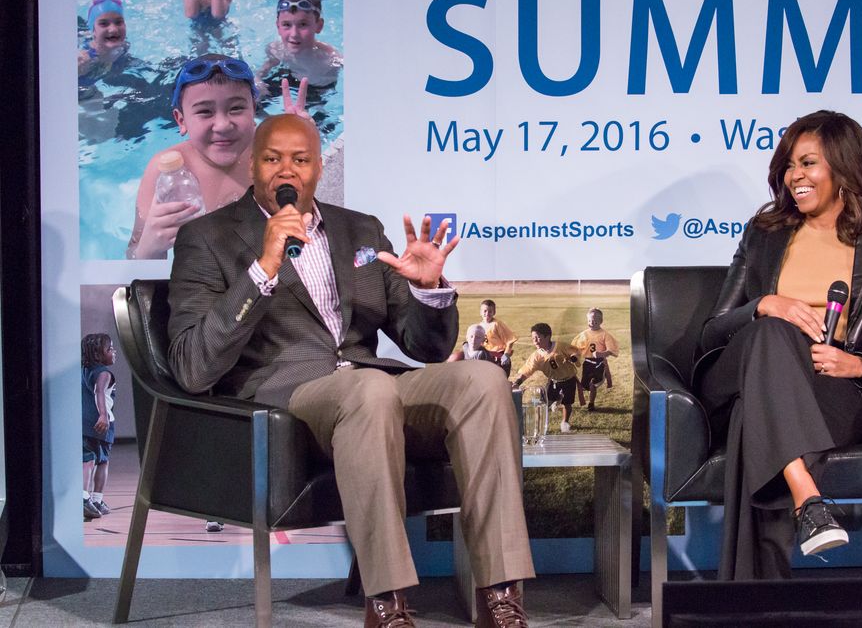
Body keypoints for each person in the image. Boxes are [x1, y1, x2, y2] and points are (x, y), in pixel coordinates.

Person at [166, 114, 532, 626]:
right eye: (272, 159)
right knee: (368, 389)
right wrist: (262, 270)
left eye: (299, 159)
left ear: (318, 168)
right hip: (290, 398)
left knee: (482, 380)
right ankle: (387, 604)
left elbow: (425, 346)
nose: (284, 171)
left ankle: (500, 596)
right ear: (252, 164)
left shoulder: (359, 229)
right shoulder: (207, 238)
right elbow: (191, 364)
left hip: (370, 382)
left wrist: (428, 291)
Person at [693, 110, 862, 580]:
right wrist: (764, 305)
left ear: (844, 167)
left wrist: (856, 365)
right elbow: (712, 332)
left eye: (809, 163)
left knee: (750, 419)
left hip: (830, 392)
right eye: (790, 165)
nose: (795, 175)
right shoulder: (765, 233)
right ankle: (807, 498)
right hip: (742, 369)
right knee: (772, 332)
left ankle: (754, 607)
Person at [127, 54, 309, 260]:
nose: (222, 125)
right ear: (181, 120)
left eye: (236, 108)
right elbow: (134, 253)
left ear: (254, 110)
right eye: (205, 112)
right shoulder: (165, 172)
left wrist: (305, 148)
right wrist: (150, 248)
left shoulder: (272, 152)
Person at [256, 0, 343, 94]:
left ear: (319, 26)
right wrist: (258, 80)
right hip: (288, 78)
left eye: (303, 24)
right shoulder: (275, 49)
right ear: (278, 26)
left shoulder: (331, 58)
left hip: (317, 90)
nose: (294, 34)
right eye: (286, 25)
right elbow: (266, 68)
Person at [511, 323, 580, 434]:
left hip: (568, 379)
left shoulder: (561, 346)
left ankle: (564, 423)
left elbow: (575, 351)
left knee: (567, 403)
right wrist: (518, 382)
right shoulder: (536, 356)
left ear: (547, 337)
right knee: (544, 403)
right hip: (553, 381)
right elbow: (527, 370)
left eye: (538, 337)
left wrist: (574, 358)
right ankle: (541, 424)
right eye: (533, 338)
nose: (535, 341)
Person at [82, 333, 116, 521]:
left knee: (88, 459)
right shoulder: (103, 372)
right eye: (109, 349)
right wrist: (103, 414)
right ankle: (93, 499)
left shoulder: (83, 370)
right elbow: (99, 392)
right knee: (101, 461)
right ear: (98, 355)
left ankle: (86, 497)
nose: (113, 351)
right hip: (101, 424)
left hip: (84, 423)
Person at [571, 307, 619, 410]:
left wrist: (601, 354)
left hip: (599, 364)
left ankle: (591, 404)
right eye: (589, 320)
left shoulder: (605, 335)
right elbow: (577, 349)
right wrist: (574, 356)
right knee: (584, 386)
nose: (591, 323)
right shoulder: (584, 334)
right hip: (587, 363)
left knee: (593, 383)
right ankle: (570, 400)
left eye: (594, 320)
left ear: (600, 321)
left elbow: (610, 350)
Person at [78, 0, 130, 81]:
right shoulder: (84, 60)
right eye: (104, 24)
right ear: (93, 30)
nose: (114, 29)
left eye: (119, 22)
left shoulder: (124, 46)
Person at [480, 299, 517, 377]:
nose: (487, 314)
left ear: (494, 312)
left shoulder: (497, 324)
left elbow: (510, 340)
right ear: (481, 312)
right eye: (485, 311)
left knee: (499, 381)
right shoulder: (480, 326)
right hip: (487, 358)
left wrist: (506, 354)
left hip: (499, 358)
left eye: (490, 311)